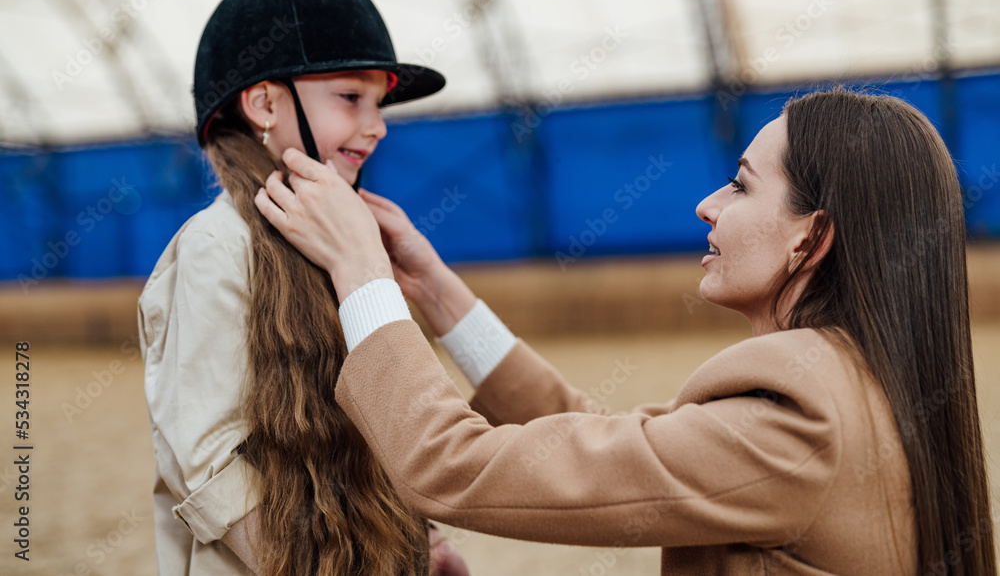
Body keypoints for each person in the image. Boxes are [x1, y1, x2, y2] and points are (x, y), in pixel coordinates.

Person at [255, 88, 998, 575]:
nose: (708, 204)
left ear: (813, 237)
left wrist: (361, 272)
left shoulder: (799, 416)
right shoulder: (862, 381)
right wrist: (436, 293)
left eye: (740, 183)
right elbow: (613, 443)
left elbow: (449, 464)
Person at [138, 0, 468, 575]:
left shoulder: (339, 240)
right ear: (264, 103)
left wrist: (418, 542)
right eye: (351, 97)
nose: (377, 124)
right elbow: (209, 464)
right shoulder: (218, 244)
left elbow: (375, 422)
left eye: (379, 102)